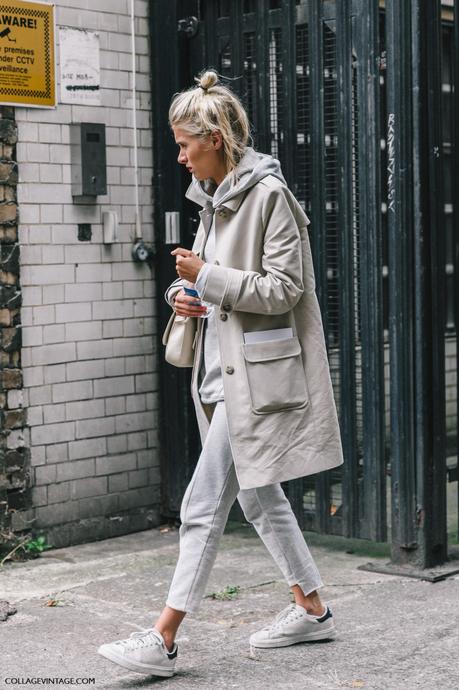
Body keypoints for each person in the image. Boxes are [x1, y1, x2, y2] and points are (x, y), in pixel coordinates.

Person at [98, 69, 344, 678]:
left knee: (202, 504)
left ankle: (164, 638)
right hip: (217, 371)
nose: (179, 157)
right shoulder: (213, 202)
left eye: (186, 144)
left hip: (253, 382)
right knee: (260, 498)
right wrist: (186, 297)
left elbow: (284, 289)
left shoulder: (269, 198)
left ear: (216, 138)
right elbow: (215, 289)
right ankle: (311, 608)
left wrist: (206, 276)